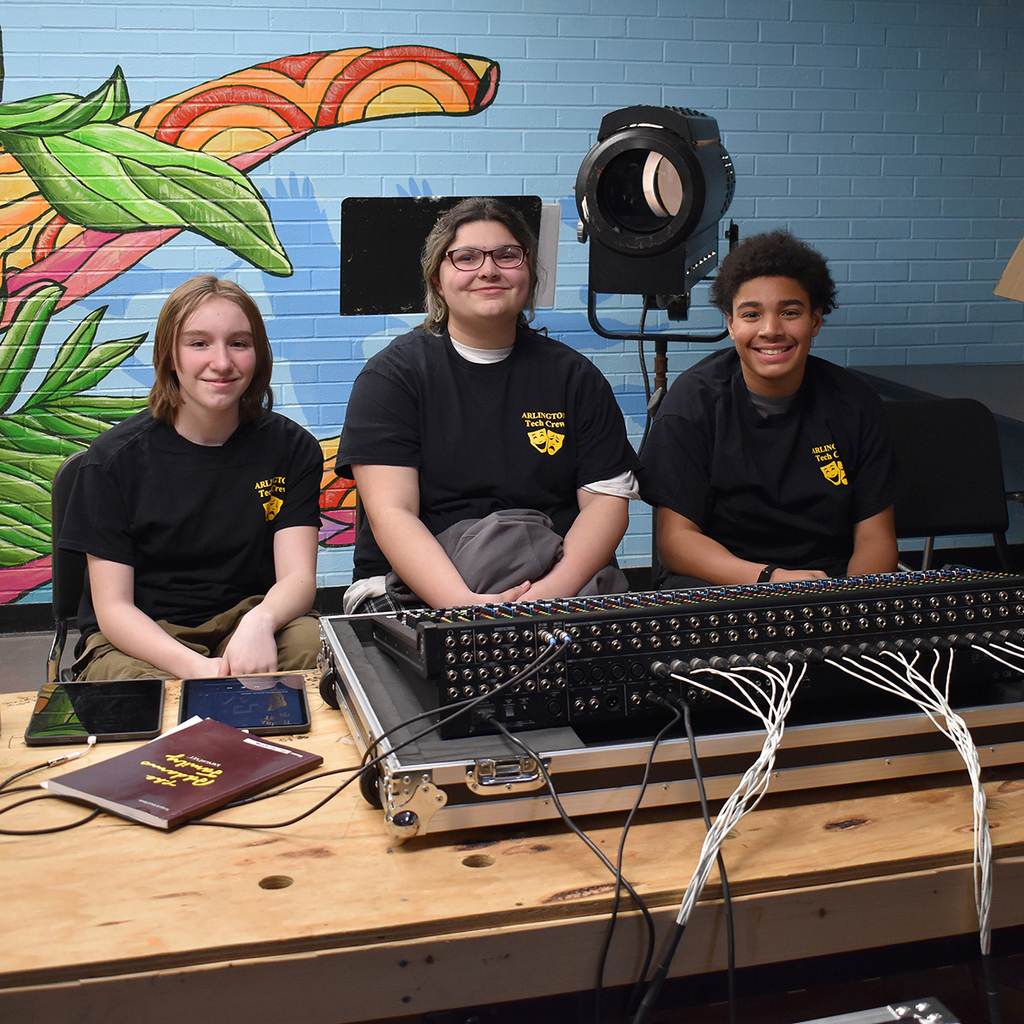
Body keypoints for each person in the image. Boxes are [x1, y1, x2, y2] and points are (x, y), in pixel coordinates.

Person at [337, 196, 639, 612]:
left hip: (556, 584)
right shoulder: (391, 378)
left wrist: (546, 597)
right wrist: (463, 606)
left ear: (530, 272)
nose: (489, 269)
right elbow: (394, 512)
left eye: (507, 255)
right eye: (466, 257)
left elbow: (605, 506)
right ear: (438, 280)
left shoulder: (575, 378)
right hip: (418, 591)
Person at [61, 275, 323, 680]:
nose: (222, 362)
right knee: (141, 692)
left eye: (239, 343)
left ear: (258, 354)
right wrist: (197, 669)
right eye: (199, 343)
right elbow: (114, 610)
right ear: (169, 355)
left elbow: (299, 578)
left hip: (249, 618)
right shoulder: (111, 461)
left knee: (315, 650)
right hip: (144, 634)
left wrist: (260, 622)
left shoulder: (292, 449)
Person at [639, 229, 901, 588]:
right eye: (751, 315)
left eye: (790, 312)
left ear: (816, 320)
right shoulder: (691, 403)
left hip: (829, 583)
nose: (771, 330)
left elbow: (875, 538)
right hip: (721, 583)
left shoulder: (856, 403)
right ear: (731, 324)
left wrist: (846, 605)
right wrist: (773, 580)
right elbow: (676, 542)